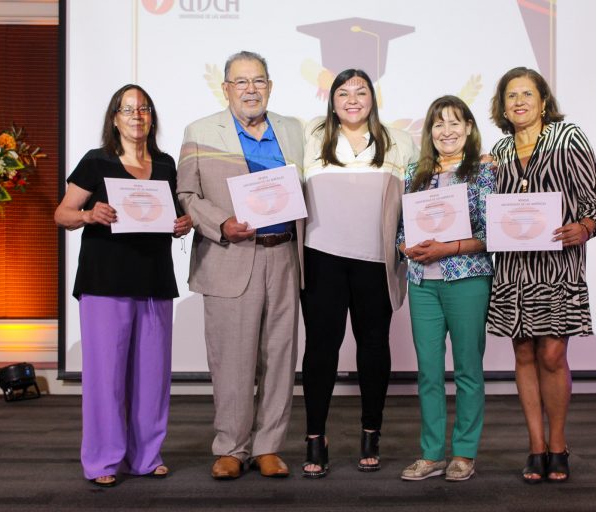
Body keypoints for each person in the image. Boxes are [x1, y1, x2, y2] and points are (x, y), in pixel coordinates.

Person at [54, 84, 193, 487]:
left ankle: (147, 457)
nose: (137, 115)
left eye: (144, 108)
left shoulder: (166, 165)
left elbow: (176, 217)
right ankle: (103, 460)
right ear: (114, 117)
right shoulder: (96, 162)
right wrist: (88, 214)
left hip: (154, 281)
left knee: (152, 378)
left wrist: (182, 225)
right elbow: (62, 213)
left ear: (152, 117)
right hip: (104, 282)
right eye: (127, 109)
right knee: (106, 378)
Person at [176, 51, 304, 480]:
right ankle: (231, 447)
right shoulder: (200, 132)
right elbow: (187, 196)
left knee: (280, 356)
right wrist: (221, 223)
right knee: (232, 359)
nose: (251, 89)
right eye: (241, 82)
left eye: (259, 81)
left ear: (270, 85)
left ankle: (268, 446)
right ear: (226, 87)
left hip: (284, 254)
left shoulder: (293, 130)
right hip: (230, 256)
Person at [487, 67, 596, 483]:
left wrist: (586, 225)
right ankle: (536, 447)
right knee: (523, 353)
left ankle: (558, 445)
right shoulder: (499, 152)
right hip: (511, 269)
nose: (519, 102)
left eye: (527, 94)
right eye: (510, 96)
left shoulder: (568, 137)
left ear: (543, 101)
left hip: (556, 266)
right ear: (502, 106)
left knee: (553, 355)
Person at [300, 68, 418, 478]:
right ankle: (315, 435)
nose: (352, 99)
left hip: (376, 259)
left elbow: (423, 192)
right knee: (320, 350)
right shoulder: (310, 136)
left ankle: (372, 431)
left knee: (373, 347)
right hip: (321, 258)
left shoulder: (399, 140)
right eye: (343, 93)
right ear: (331, 100)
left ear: (373, 97)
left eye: (361, 92)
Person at [396, 95, 495, 482]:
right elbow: (402, 228)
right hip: (423, 282)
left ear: (469, 128)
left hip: (467, 278)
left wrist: (447, 247)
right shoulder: (414, 173)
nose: (447, 131)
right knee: (429, 372)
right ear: (429, 132)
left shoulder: (483, 171)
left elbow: (491, 233)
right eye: (439, 124)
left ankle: (465, 453)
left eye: (455, 123)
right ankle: (432, 453)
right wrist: (402, 245)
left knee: (468, 368)